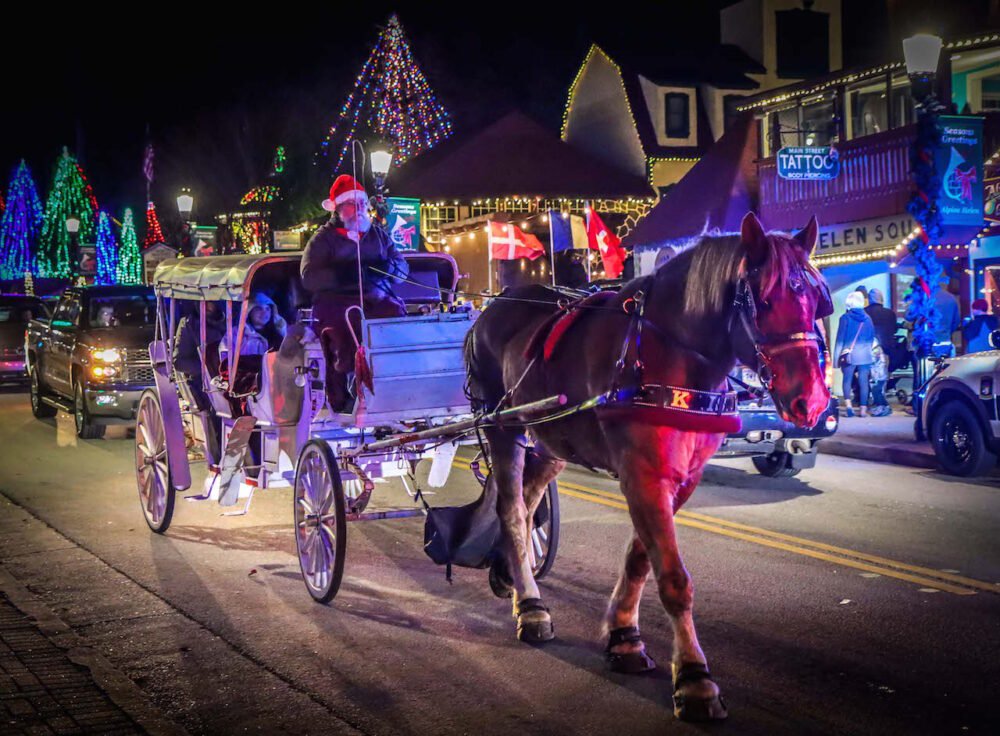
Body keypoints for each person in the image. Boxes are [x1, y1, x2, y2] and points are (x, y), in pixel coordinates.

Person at [301, 174, 409, 410]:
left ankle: (395, 380)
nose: (361, 209)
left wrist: (387, 269)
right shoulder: (322, 240)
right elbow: (309, 277)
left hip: (376, 298)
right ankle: (347, 388)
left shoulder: (378, 235)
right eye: (353, 204)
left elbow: (402, 267)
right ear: (338, 209)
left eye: (362, 204)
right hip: (336, 301)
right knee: (350, 323)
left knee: (394, 316)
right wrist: (341, 275)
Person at [834, 290, 875, 417]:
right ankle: (863, 410)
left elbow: (840, 339)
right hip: (865, 355)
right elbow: (871, 337)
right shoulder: (868, 318)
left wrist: (836, 359)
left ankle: (849, 407)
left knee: (847, 380)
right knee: (864, 382)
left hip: (849, 355)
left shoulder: (845, 318)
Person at [932, 280, 962, 357]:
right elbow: (956, 320)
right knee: (946, 366)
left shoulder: (923, 297)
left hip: (926, 342)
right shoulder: (951, 297)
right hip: (945, 340)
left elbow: (909, 316)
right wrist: (948, 331)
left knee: (924, 367)